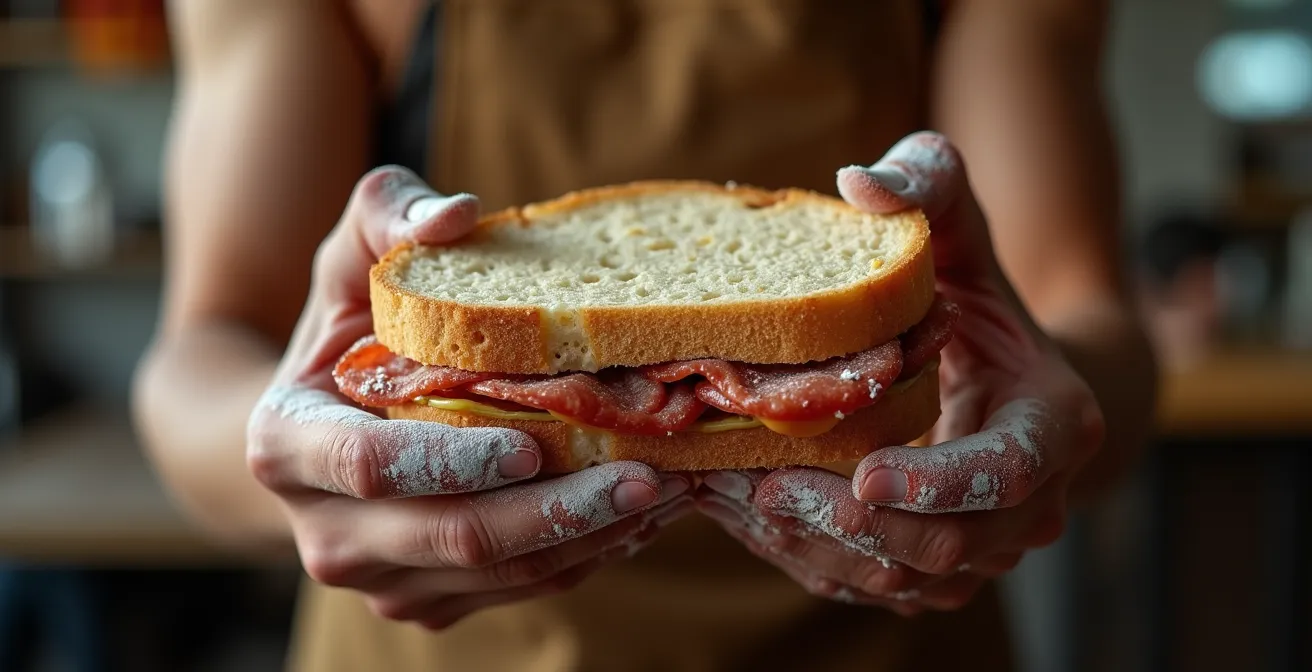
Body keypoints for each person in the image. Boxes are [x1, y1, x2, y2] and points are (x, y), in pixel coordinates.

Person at [133, 1, 1157, 669]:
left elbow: (1087, 321)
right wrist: (307, 465)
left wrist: (1048, 418)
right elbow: (205, 350)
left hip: (888, 636)